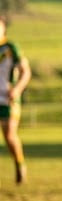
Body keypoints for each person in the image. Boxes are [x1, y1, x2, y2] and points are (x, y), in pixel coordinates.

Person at [0, 15, 30, 185]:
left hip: (7, 98)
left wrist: (17, 89)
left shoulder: (11, 47)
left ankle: (19, 164)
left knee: (9, 135)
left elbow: (26, 71)